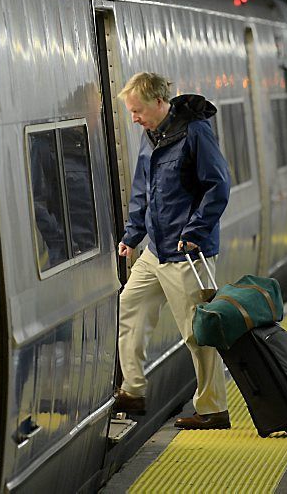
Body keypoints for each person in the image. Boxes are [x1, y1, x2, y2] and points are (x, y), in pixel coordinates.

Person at [111, 72, 231, 430]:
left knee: (197, 333)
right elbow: (142, 191)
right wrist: (132, 235)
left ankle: (213, 409)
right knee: (130, 304)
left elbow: (218, 184)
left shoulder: (195, 133)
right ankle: (132, 389)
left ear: (159, 102)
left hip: (186, 252)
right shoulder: (152, 136)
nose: (134, 118)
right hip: (155, 249)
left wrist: (195, 231)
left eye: (137, 111)